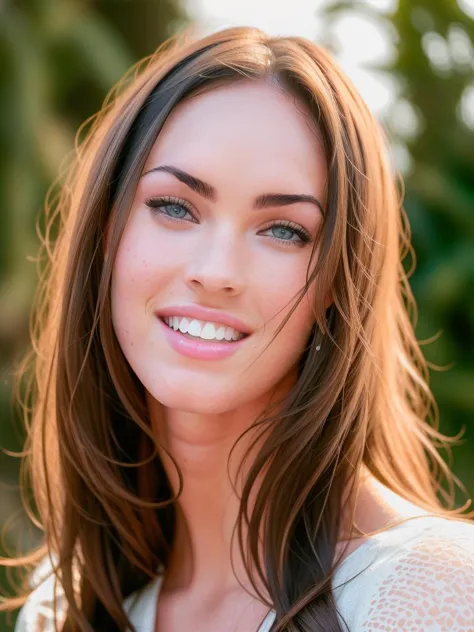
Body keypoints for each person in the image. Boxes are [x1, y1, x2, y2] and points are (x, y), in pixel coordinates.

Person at [2, 25, 474, 632]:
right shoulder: (59, 612)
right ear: (105, 236)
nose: (217, 272)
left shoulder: (431, 597)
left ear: (336, 285)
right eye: (175, 206)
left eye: (283, 230)